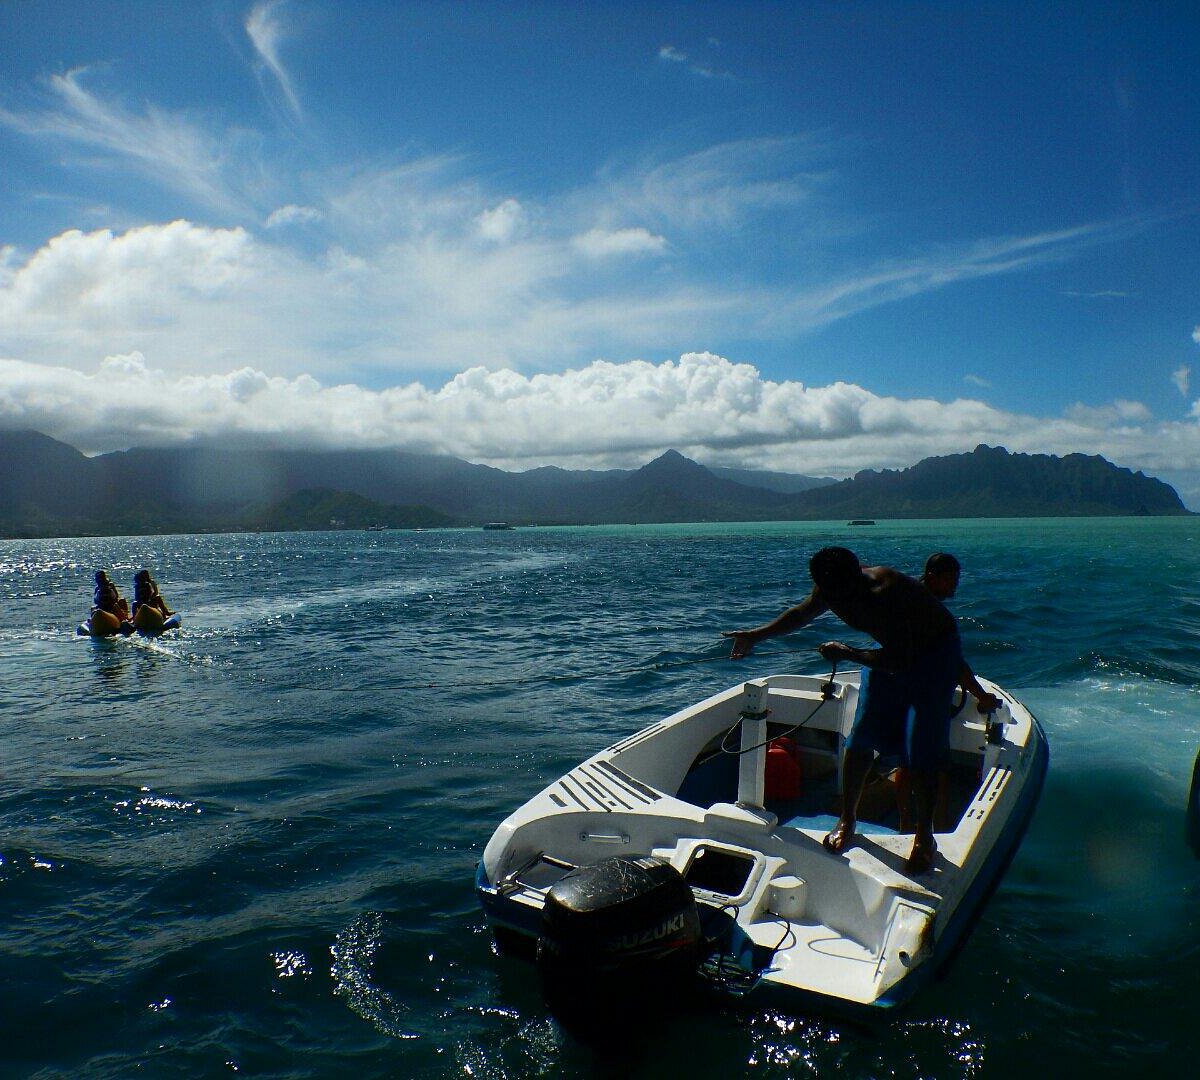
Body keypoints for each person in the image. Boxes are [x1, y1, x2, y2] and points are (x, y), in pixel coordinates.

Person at [723, 546, 961, 874]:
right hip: (891, 647)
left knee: (922, 746)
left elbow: (901, 660)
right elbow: (801, 613)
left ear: (858, 579)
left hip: (934, 653)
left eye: (840, 593)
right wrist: (756, 635)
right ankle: (847, 819)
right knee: (862, 736)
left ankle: (924, 837)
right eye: (826, 592)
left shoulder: (886, 592)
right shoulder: (830, 586)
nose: (833, 600)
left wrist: (847, 652)